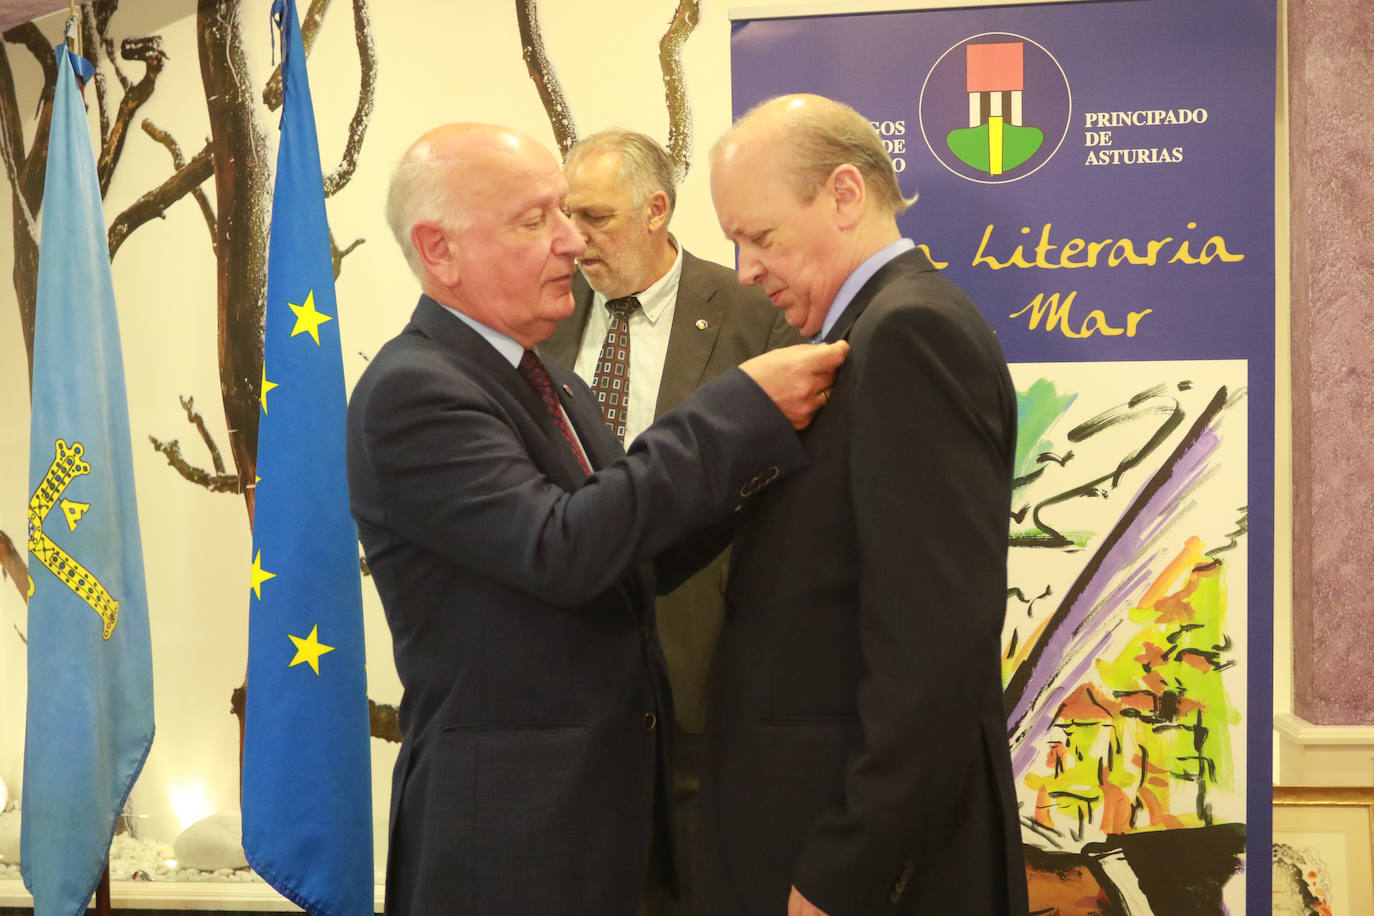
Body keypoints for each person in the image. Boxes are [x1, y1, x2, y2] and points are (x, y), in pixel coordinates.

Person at [345, 122, 848, 915]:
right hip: (511, 846)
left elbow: (630, 550)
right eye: (534, 220)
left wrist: (771, 464)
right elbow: (564, 547)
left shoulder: (542, 375)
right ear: (438, 250)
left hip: (606, 827)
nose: (570, 243)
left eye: (570, 216)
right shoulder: (417, 391)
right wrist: (739, 410)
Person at [701, 94, 1029, 916]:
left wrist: (843, 867)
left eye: (761, 237)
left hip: (873, 871)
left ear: (845, 195)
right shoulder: (846, 334)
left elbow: (932, 652)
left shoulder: (911, 334)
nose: (744, 270)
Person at [542, 127, 801, 914]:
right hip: (573, 673)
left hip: (708, 662)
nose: (573, 241)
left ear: (657, 209)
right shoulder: (543, 320)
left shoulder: (755, 313)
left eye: (596, 218)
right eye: (565, 217)